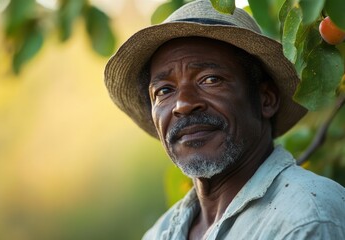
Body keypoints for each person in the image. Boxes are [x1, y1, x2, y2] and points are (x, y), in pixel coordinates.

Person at [104, 0, 345, 239]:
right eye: (164, 91)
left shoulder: (306, 219)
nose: (183, 105)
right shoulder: (159, 234)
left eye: (210, 79)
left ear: (266, 99)